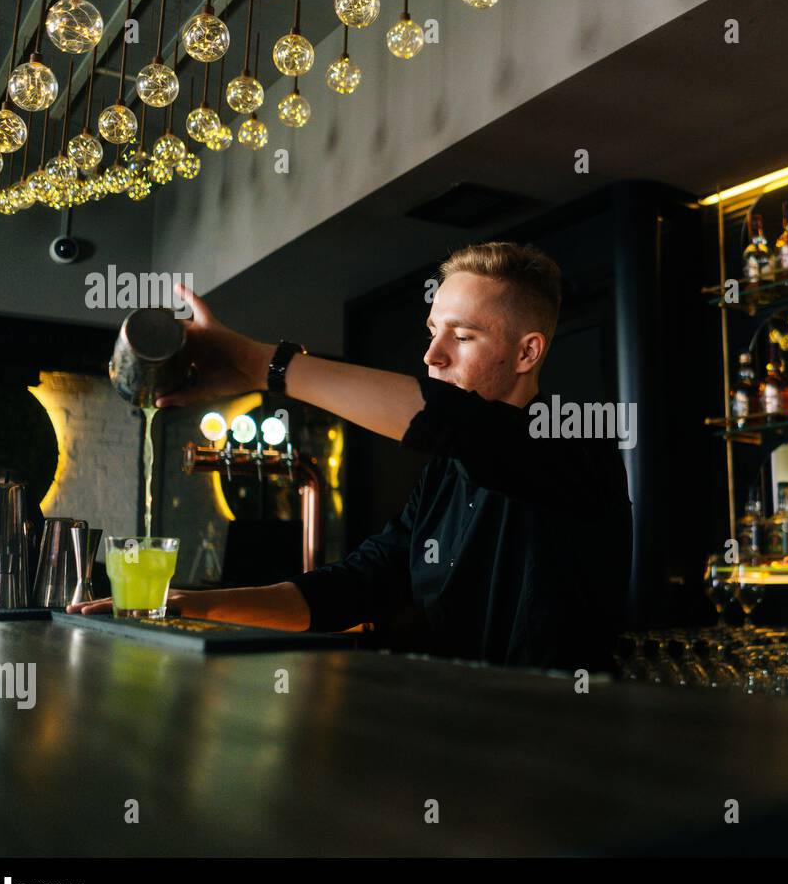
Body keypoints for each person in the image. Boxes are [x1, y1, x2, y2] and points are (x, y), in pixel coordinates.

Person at [70, 242, 633, 670]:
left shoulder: (575, 446)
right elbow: (355, 585)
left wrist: (257, 365)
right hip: (461, 747)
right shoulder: (445, 474)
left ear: (527, 352)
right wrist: (189, 606)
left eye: (462, 337)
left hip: (559, 758)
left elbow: (454, 423)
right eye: (433, 330)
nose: (431, 354)